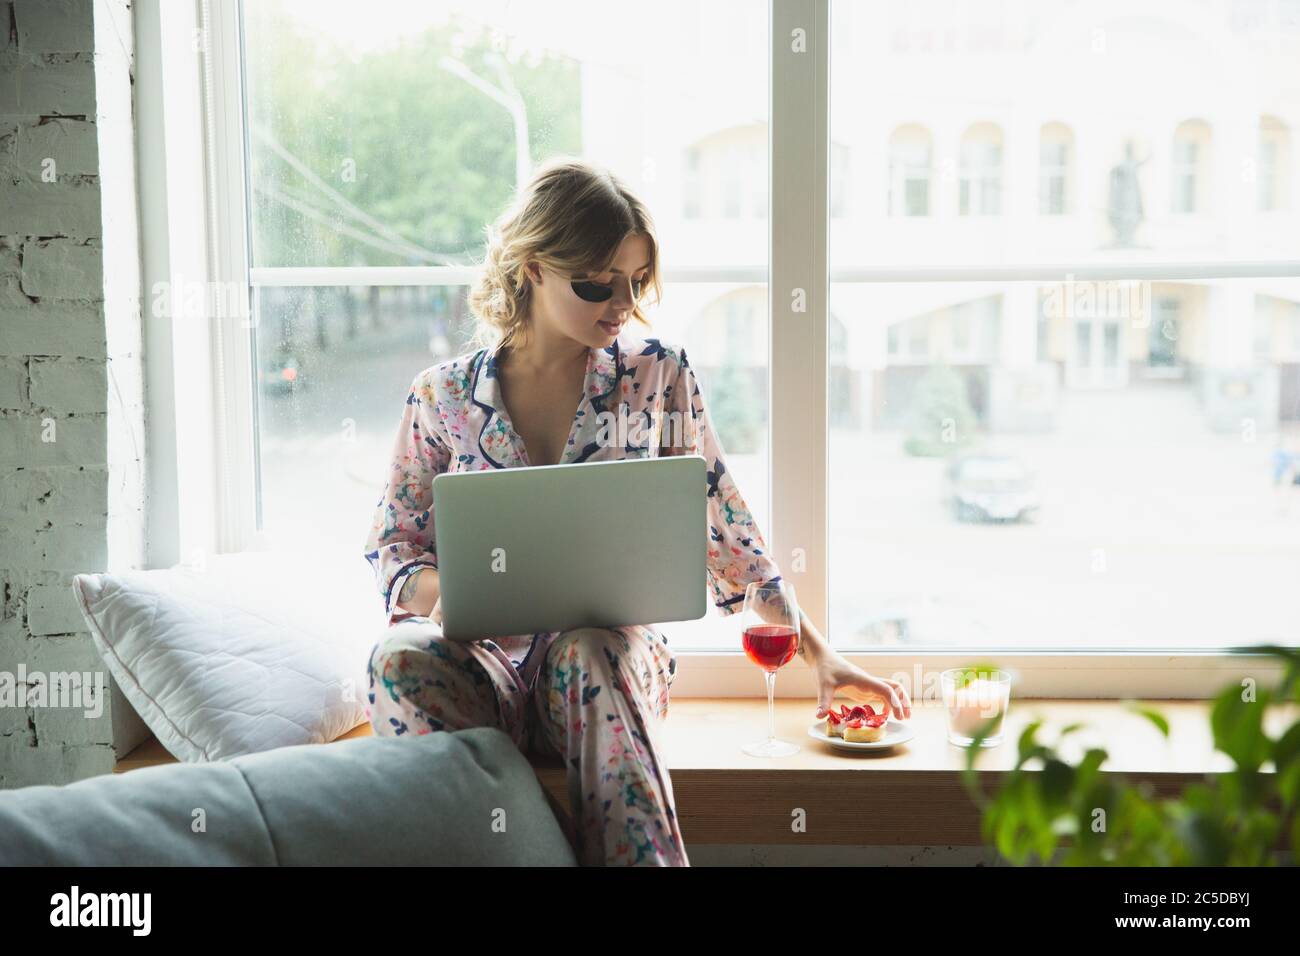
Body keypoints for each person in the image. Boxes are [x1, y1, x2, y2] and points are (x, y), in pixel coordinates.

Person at [362, 156, 912, 867]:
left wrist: (822, 657)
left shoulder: (657, 372)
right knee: (397, 658)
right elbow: (394, 550)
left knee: (592, 648)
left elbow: (726, 527)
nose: (622, 303)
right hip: (485, 675)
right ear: (531, 267)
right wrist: (465, 593)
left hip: (606, 673)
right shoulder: (439, 398)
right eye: (598, 282)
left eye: (636, 281)